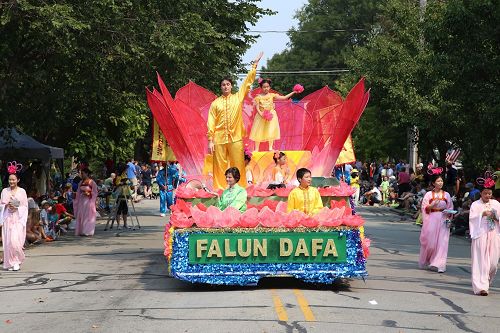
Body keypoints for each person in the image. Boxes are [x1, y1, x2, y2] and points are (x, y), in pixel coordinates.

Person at [207, 52, 263, 190]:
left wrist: (254, 65)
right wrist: (210, 139)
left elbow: (248, 82)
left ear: (231, 86)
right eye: (223, 85)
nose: (225, 86)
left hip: (236, 137)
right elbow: (211, 122)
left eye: (228, 84)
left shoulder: (238, 97)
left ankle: (240, 188)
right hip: (219, 138)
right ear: (220, 87)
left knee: (238, 164)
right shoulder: (215, 104)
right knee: (219, 165)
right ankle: (220, 189)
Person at [468, 175, 499, 296]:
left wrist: (495, 216)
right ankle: (481, 287)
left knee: (493, 263)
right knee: (480, 261)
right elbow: (472, 218)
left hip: (494, 234)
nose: (487, 196)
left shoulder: (496, 204)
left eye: (489, 193)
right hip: (480, 234)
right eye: (485, 193)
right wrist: (483, 214)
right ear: (481, 193)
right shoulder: (475, 205)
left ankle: (486, 281)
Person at [249, 78, 297, 151]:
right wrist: (261, 114)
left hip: (271, 115)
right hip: (261, 116)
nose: (266, 88)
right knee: (258, 131)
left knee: (271, 130)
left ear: (269, 87)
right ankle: (257, 149)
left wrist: (293, 92)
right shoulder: (258, 97)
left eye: (267, 86)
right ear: (261, 87)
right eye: (264, 87)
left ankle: (270, 148)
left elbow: (284, 98)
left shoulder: (272, 95)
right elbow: (257, 107)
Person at [419, 173, 453, 273]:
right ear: (433, 183)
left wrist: (449, 213)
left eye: (441, 181)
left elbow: (450, 206)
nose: (440, 183)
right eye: (438, 181)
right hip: (431, 219)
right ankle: (428, 259)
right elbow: (424, 207)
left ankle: (439, 264)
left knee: (442, 242)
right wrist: (431, 205)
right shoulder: (428, 194)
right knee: (431, 243)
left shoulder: (446, 194)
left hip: (443, 218)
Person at [0, 162, 28, 271]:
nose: (12, 181)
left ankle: (17, 260)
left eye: (14, 179)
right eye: (10, 179)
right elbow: (1, 205)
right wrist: (6, 205)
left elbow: (25, 206)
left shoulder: (22, 191)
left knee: (15, 241)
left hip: (18, 219)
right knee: (8, 242)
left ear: (18, 180)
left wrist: (17, 208)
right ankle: (11, 262)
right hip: (8, 218)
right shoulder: (4, 191)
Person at [74, 168, 98, 236]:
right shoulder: (80, 182)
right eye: (81, 173)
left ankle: (87, 231)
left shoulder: (91, 182)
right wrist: (75, 197)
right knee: (81, 215)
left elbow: (95, 192)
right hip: (81, 201)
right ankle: (81, 231)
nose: (81, 175)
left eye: (83, 173)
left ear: (87, 173)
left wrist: (89, 194)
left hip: (89, 201)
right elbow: (78, 192)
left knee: (88, 216)